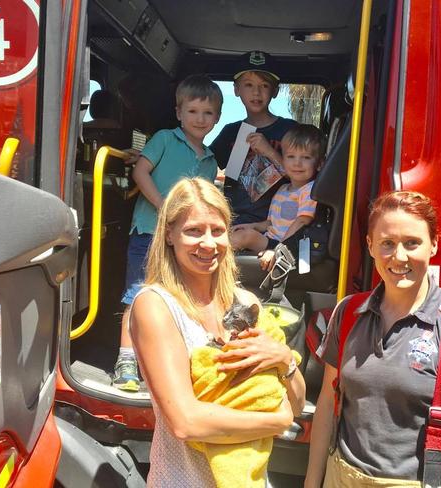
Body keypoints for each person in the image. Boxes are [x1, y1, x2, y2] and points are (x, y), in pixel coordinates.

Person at [304, 191, 441, 488]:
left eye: (412, 243)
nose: (399, 256)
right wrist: (313, 482)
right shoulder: (349, 312)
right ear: (370, 246)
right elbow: (329, 402)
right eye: (387, 243)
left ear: (434, 245)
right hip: (343, 478)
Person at [129, 178, 306, 487]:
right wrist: (277, 422)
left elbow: (296, 404)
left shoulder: (246, 302)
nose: (209, 243)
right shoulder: (155, 306)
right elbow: (185, 422)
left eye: (218, 230)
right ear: (169, 234)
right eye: (193, 230)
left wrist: (285, 361)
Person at [112, 76, 223, 391]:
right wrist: (164, 207)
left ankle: (163, 361)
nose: (200, 119)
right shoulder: (163, 139)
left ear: (216, 118)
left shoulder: (211, 160)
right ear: (179, 113)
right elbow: (140, 171)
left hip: (181, 242)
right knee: (139, 294)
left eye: (208, 113)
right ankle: (126, 360)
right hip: (149, 231)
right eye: (193, 111)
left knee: (175, 298)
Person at [211, 51, 297, 225]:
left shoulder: (290, 130)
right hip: (234, 221)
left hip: (277, 222)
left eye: (264, 85)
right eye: (248, 85)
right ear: (236, 90)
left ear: (275, 91)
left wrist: (270, 152)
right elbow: (205, 165)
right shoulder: (231, 132)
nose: (256, 92)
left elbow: (302, 179)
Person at [230, 124, 324, 270]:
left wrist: (279, 251)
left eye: (306, 157)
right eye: (291, 156)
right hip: (271, 239)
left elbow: (302, 221)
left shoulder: (310, 190)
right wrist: (252, 226)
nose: (297, 163)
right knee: (240, 232)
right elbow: (270, 223)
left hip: (287, 245)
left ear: (319, 164)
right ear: (283, 160)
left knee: (245, 237)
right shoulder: (282, 189)